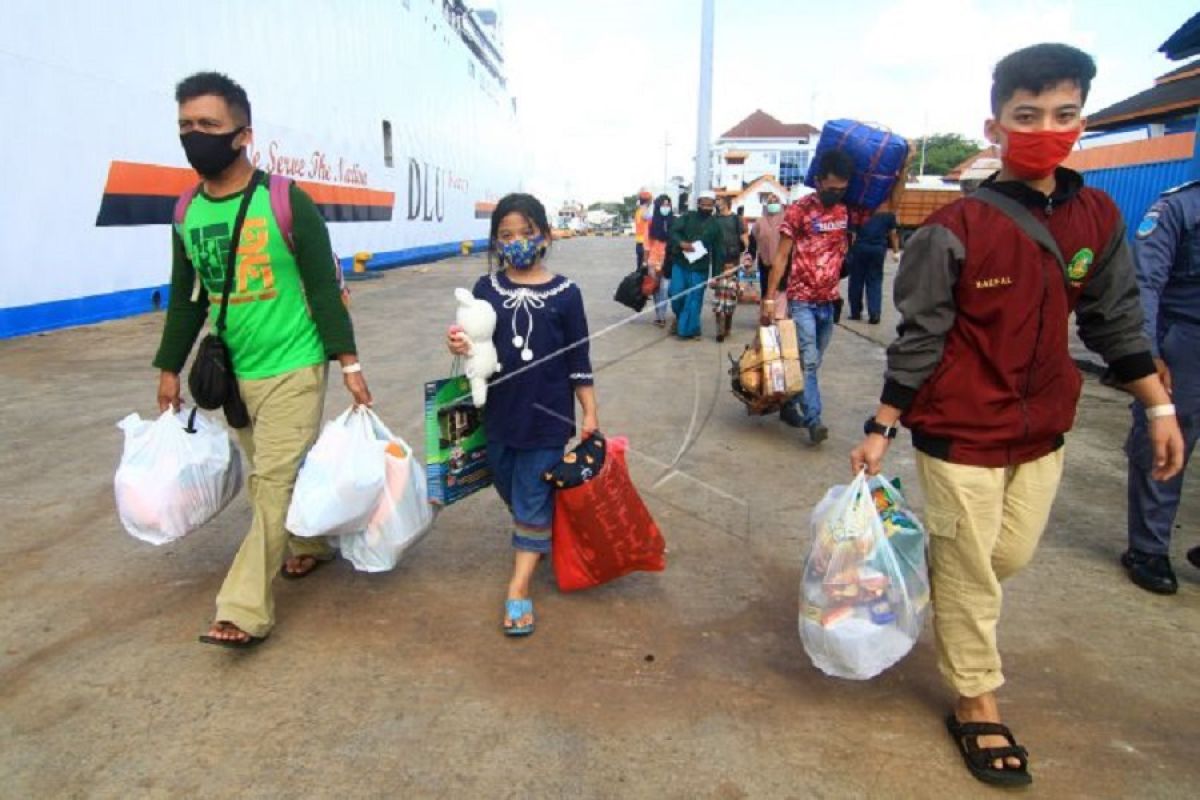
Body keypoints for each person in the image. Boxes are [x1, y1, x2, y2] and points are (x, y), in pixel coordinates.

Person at [848, 44, 1184, 787]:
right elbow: (921, 335)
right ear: (994, 126)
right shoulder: (955, 226)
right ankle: (977, 700)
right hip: (959, 427)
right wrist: (882, 426)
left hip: (1044, 430)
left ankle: (925, 569)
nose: (1045, 128)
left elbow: (1115, 320)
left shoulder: (1098, 215)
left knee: (1006, 559)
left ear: (1082, 121)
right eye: (1026, 115)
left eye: (1063, 115)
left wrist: (1157, 405)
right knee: (972, 570)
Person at [153, 72, 371, 649]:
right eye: (185, 125)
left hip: (295, 363)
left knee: (271, 482)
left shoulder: (286, 201)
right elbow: (185, 297)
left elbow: (324, 288)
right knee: (266, 476)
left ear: (243, 135)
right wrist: (169, 368)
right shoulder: (186, 213)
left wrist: (348, 364)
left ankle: (244, 607)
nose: (194, 135)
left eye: (208, 125)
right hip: (233, 374)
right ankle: (309, 544)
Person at [447, 193, 598, 636]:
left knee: (531, 495)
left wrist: (589, 413)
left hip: (549, 416)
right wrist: (458, 344)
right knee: (506, 479)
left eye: (526, 233)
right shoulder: (485, 289)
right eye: (506, 235)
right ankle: (539, 530)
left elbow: (580, 360)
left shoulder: (567, 294)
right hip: (498, 411)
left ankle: (518, 588)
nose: (516, 242)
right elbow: (470, 340)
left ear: (545, 237)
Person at [1121, 180, 1200, 594]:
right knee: (1166, 443)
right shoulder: (1180, 207)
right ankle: (1148, 549)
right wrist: (1147, 352)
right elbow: (1145, 281)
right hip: (1185, 343)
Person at [761, 151, 860, 443]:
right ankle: (814, 420)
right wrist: (769, 298)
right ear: (818, 182)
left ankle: (789, 403)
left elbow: (890, 204)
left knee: (810, 361)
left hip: (829, 301)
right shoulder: (799, 211)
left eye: (841, 190)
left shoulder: (847, 210)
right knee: (810, 360)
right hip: (801, 299)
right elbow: (780, 257)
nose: (835, 194)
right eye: (830, 189)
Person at [668, 190, 724, 340]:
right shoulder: (687, 217)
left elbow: (718, 252)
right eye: (703, 204)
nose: (706, 207)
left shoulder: (716, 226)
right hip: (681, 264)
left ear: (713, 206)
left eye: (709, 205)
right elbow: (673, 231)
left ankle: (690, 330)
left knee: (694, 299)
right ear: (698, 203)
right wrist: (681, 243)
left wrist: (716, 276)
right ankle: (680, 319)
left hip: (700, 268)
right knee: (676, 293)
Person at [846, 206, 900, 324]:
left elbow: (851, 234)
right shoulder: (888, 213)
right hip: (878, 250)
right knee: (875, 281)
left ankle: (855, 312)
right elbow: (893, 234)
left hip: (860, 248)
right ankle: (874, 314)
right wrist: (896, 251)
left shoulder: (859, 209)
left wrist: (848, 251)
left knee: (856, 281)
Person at [712, 195, 746, 341]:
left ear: (727, 203)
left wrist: (747, 253)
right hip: (718, 260)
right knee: (718, 293)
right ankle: (719, 328)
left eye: (720, 201)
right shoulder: (714, 219)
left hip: (733, 259)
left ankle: (728, 326)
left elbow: (744, 235)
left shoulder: (736, 219)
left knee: (731, 293)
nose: (717, 204)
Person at [646, 194, 675, 328]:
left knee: (665, 289)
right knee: (655, 289)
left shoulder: (674, 222)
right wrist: (645, 262)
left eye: (668, 205)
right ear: (658, 206)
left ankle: (662, 316)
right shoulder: (652, 223)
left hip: (668, 260)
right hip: (653, 261)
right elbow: (647, 245)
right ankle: (659, 315)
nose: (666, 207)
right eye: (663, 205)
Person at [753, 192, 786, 301]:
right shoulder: (759, 222)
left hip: (784, 264)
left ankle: (779, 316)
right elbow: (753, 241)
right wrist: (749, 257)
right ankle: (766, 315)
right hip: (765, 263)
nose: (773, 204)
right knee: (766, 292)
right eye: (770, 202)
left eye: (775, 202)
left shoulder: (787, 221)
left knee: (781, 290)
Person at [633, 189, 653, 270]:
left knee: (640, 266)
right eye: (650, 200)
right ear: (647, 201)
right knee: (644, 268)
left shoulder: (638, 211)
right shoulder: (644, 211)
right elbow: (652, 221)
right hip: (644, 243)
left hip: (639, 242)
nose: (651, 202)